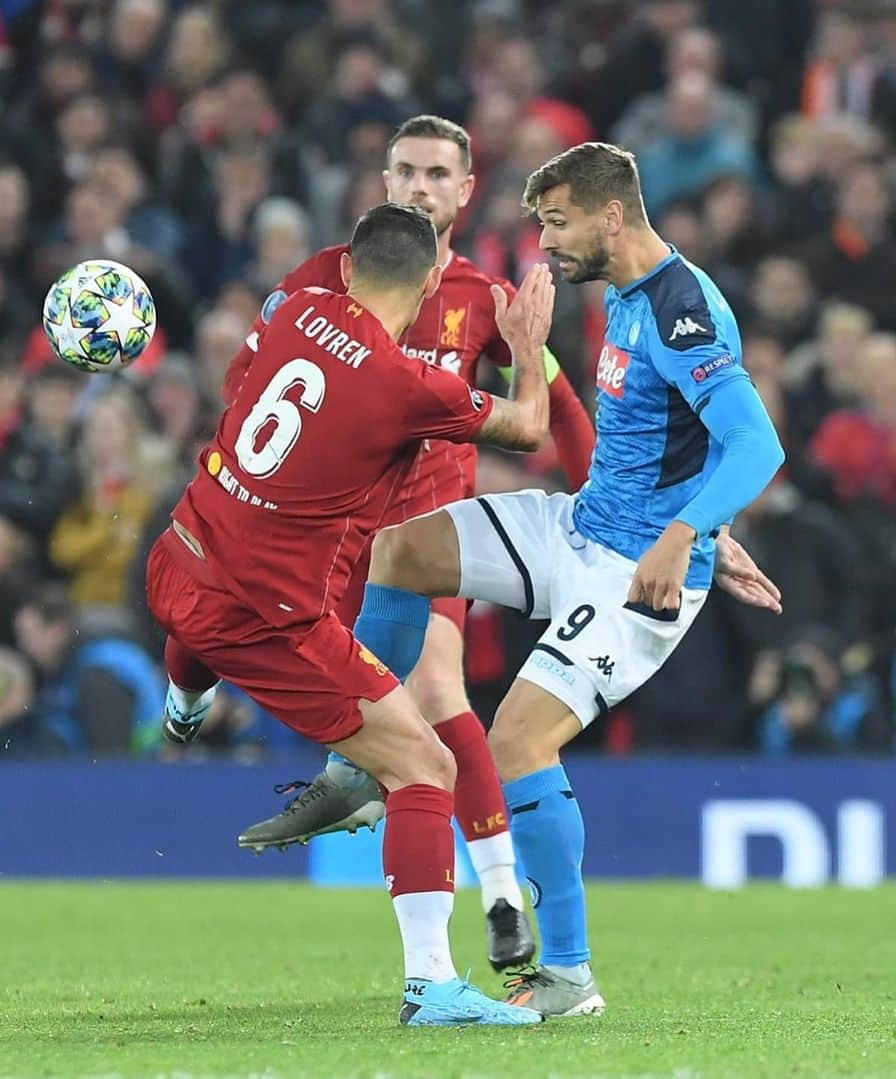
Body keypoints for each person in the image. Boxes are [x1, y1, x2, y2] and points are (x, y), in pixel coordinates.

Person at [347, 143, 785, 1016]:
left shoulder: (682, 306)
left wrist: (689, 533)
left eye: (556, 222)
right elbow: (666, 444)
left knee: (517, 742)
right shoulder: (623, 296)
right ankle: (359, 753)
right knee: (401, 551)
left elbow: (756, 444)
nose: (545, 243)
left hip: (634, 577)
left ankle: (571, 975)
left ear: (610, 215)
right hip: (580, 526)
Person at [144, 202, 551, 1027]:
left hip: (179, 548)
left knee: (197, 627)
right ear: (432, 276)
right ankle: (432, 985)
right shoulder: (403, 384)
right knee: (423, 766)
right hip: (264, 616)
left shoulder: (298, 308)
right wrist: (531, 349)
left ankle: (184, 701)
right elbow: (531, 426)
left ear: (348, 267)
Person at [207, 115, 596, 973]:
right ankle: (360, 791)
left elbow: (557, 411)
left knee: (433, 684)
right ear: (383, 184)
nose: (419, 188)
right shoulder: (322, 281)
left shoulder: (484, 299)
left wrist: (607, 508)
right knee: (391, 709)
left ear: (465, 191)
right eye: (405, 172)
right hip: (329, 538)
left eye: (437, 175)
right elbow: (245, 389)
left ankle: (496, 898)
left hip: (427, 536)